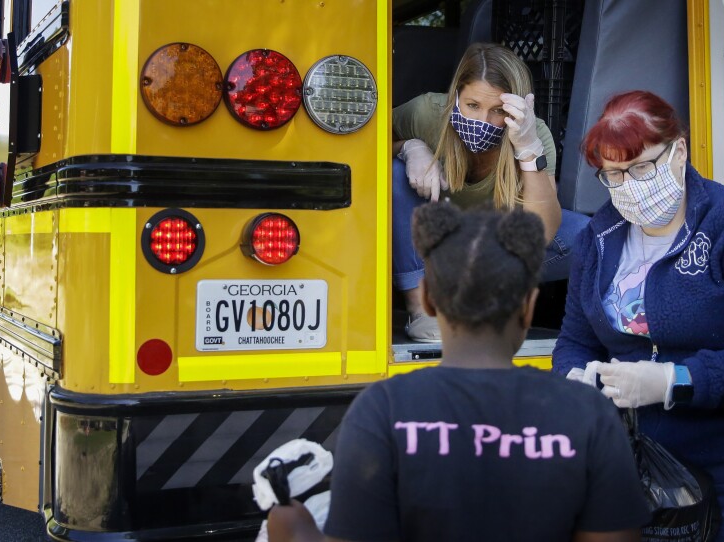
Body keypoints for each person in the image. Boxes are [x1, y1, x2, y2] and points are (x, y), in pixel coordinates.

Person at [266, 203, 650, 542]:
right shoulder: (589, 413)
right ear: (529, 307)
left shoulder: (381, 411)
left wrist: (291, 526)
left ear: (429, 298)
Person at [552, 90, 724, 541]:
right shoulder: (597, 239)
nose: (629, 185)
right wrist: (575, 381)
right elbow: (576, 340)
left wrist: (674, 381)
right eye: (614, 174)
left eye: (641, 167)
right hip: (647, 471)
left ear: (678, 151)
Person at [392, 42, 590, 342]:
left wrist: (527, 149)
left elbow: (545, 232)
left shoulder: (534, 133)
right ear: (456, 95)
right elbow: (364, 143)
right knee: (392, 171)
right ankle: (421, 306)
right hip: (428, 238)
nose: (483, 121)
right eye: (473, 106)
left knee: (584, 237)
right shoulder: (426, 113)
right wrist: (408, 148)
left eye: (497, 111)